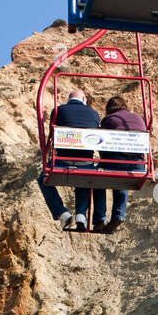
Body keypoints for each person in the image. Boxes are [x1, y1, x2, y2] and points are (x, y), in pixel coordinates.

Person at [47, 89, 105, 231]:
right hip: (85, 161)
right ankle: (81, 215)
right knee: (84, 176)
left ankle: (62, 213)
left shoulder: (58, 111)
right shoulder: (94, 114)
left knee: (43, 178)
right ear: (84, 99)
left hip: (63, 160)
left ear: (69, 99)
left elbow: (51, 133)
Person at [95, 96, 149, 233]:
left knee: (97, 178)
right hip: (138, 165)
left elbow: (104, 143)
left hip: (117, 162)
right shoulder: (139, 119)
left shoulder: (109, 120)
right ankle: (118, 214)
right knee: (122, 180)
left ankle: (99, 219)